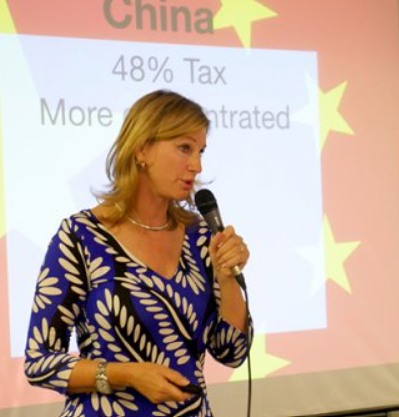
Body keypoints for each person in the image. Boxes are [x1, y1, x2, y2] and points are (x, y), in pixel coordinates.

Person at [24, 90, 252, 417]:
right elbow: (39, 362)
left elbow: (232, 352)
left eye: (201, 151)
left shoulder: (201, 236)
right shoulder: (80, 236)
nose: (197, 165)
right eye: (184, 148)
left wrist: (227, 277)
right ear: (142, 149)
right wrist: (126, 375)